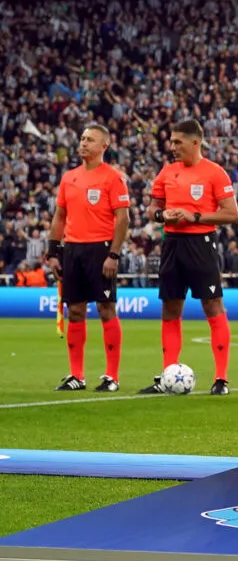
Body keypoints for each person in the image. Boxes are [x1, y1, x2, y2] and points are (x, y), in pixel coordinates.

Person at [140, 119, 238, 395]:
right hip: (171, 243)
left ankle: (221, 379)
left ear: (196, 142)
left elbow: (231, 213)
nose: (172, 147)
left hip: (201, 243)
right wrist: (163, 215)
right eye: (172, 142)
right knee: (170, 308)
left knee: (212, 305)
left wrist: (195, 216)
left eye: (177, 142)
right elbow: (152, 208)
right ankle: (167, 375)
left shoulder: (215, 173)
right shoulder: (166, 173)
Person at [47, 124, 129, 393]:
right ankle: (76, 375)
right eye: (82, 138)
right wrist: (52, 251)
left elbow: (123, 219)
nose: (83, 143)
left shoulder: (113, 178)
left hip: (100, 249)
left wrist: (113, 254)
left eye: (89, 140)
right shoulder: (69, 177)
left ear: (103, 146)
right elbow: (60, 216)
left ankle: (111, 376)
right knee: (76, 310)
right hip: (72, 249)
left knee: (106, 309)